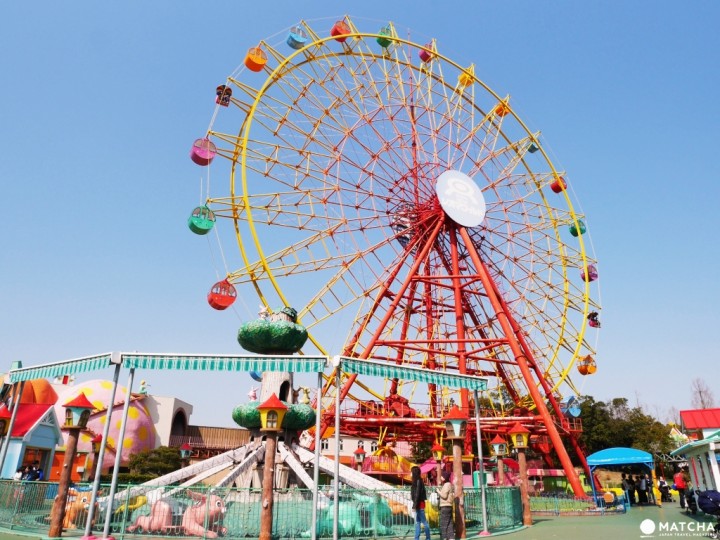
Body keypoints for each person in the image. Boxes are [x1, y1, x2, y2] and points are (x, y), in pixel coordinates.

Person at [410, 466, 431, 540]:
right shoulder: (417, 480)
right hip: (418, 503)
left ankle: (428, 538)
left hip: (419, 504)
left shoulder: (418, 480)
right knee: (418, 522)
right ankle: (416, 538)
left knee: (424, 522)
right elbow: (416, 494)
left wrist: (414, 506)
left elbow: (417, 494)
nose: (410, 473)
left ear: (414, 472)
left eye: (411, 472)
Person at [438, 470, 455, 540]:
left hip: (445, 506)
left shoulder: (446, 485)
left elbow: (444, 496)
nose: (440, 477)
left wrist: (438, 491)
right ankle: (451, 537)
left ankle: (444, 537)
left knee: (444, 523)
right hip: (449, 505)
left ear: (444, 478)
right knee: (449, 523)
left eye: (441, 476)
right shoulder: (449, 484)